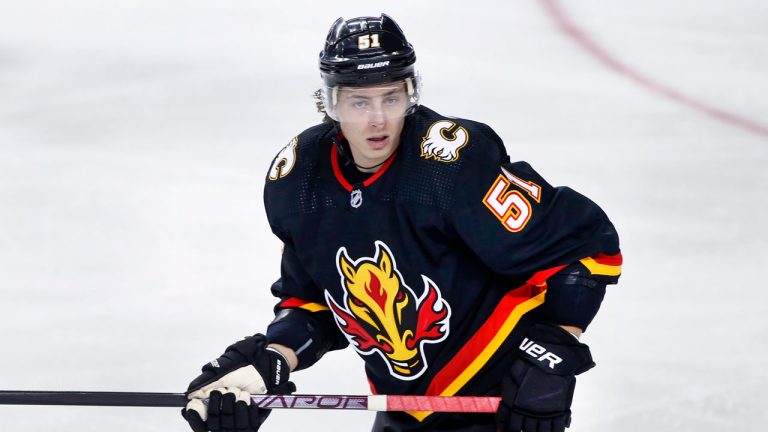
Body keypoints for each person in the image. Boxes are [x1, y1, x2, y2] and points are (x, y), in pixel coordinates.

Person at [181, 13, 622, 432]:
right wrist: (274, 359)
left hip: (504, 400)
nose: (377, 119)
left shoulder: (450, 166)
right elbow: (314, 300)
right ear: (330, 102)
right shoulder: (299, 181)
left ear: (411, 93)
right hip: (402, 410)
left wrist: (555, 348)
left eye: (391, 97)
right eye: (358, 101)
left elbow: (585, 248)